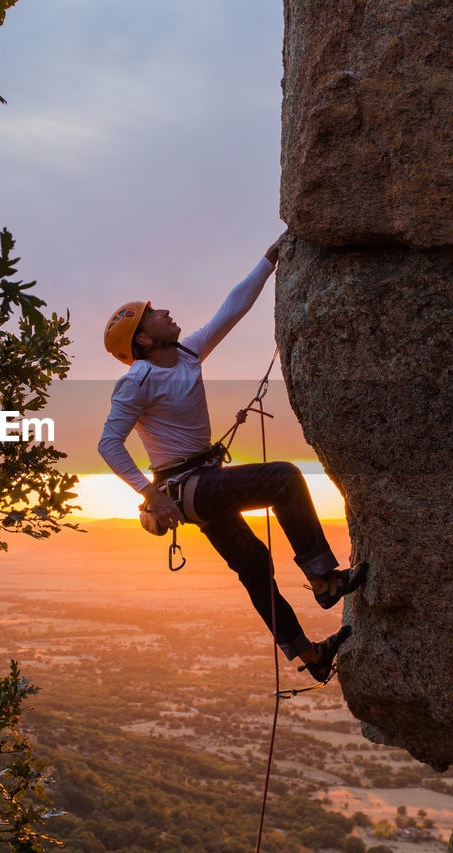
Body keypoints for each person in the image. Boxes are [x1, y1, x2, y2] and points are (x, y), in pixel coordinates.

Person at [97, 232, 367, 683]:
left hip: (198, 486)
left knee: (254, 565)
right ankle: (324, 578)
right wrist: (149, 494)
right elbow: (108, 443)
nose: (166, 312)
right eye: (155, 314)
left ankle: (308, 654)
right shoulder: (137, 380)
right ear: (143, 338)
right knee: (283, 478)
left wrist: (269, 260)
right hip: (187, 489)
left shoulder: (186, 354)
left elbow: (233, 308)